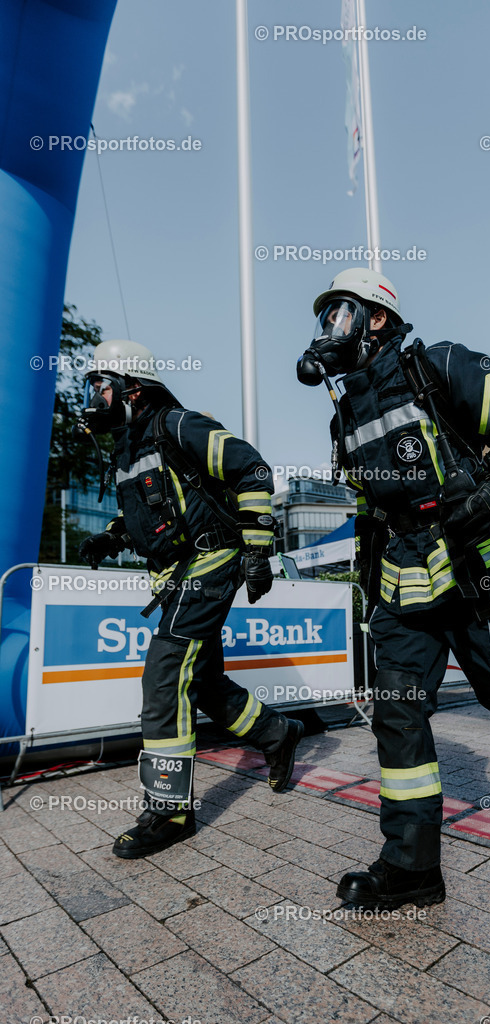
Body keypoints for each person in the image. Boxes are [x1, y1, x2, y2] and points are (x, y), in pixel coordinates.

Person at [296, 268, 490, 910]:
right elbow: (368, 510)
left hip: (476, 567)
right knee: (398, 711)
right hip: (401, 585)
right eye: (322, 320)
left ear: (376, 317)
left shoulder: (438, 367)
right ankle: (411, 867)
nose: (329, 331)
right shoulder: (345, 414)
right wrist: (369, 590)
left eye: (340, 315)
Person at [78, 339, 303, 858]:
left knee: (165, 675)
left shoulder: (179, 425)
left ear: (133, 389)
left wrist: (258, 549)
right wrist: (111, 535)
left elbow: (253, 470)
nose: (94, 395)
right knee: (199, 681)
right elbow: (144, 515)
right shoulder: (127, 449)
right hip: (175, 574)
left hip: (211, 561)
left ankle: (169, 811)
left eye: (101, 384)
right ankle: (277, 733)